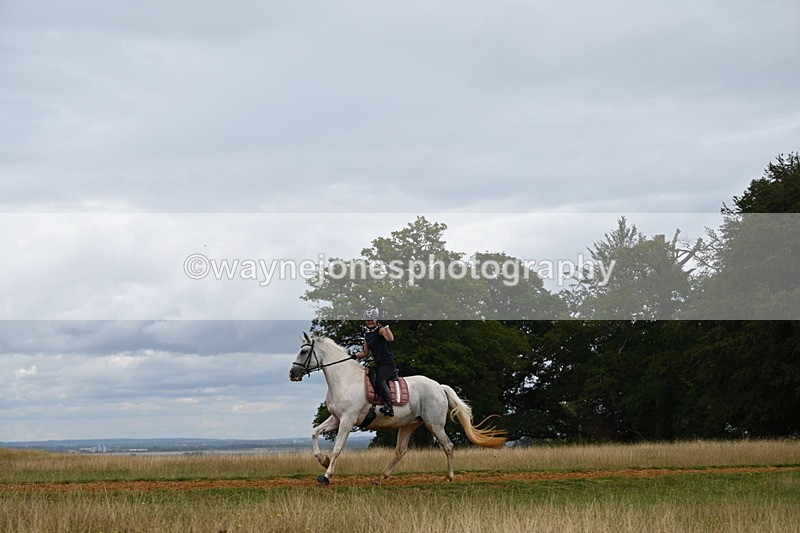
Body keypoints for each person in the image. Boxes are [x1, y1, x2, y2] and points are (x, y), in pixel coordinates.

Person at [355, 308, 397, 417]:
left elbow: (390, 339)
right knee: (370, 378)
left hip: (387, 362)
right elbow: (365, 353)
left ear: (376, 319)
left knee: (380, 380)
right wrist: (353, 356)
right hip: (378, 363)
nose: (370, 321)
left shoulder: (381, 330)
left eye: (371, 319)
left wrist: (386, 326)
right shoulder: (367, 336)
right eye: (367, 320)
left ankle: (389, 407)